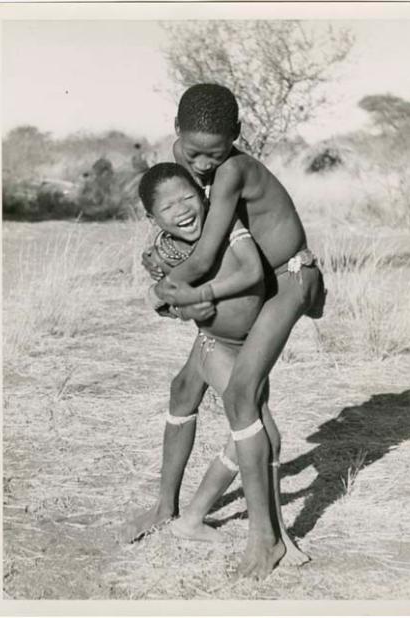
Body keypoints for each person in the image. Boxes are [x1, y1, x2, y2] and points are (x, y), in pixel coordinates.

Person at [143, 84, 326, 579]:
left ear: (238, 138)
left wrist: (171, 289)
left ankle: (266, 537)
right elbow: (188, 231)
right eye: (194, 151)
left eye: (215, 152)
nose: (202, 164)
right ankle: (169, 508)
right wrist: (163, 263)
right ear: (177, 134)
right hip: (256, 283)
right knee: (185, 386)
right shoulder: (185, 160)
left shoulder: (232, 170)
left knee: (243, 395)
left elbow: (204, 257)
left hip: (290, 277)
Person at [122, 163, 309, 566]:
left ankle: (234, 527)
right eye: (168, 207)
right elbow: (169, 305)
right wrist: (177, 304)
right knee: (205, 403)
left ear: (205, 197)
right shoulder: (165, 251)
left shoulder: (227, 228)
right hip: (214, 343)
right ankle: (171, 510)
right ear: (152, 219)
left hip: (250, 343)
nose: (183, 210)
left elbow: (249, 271)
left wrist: (192, 296)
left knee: (257, 430)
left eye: (189, 198)